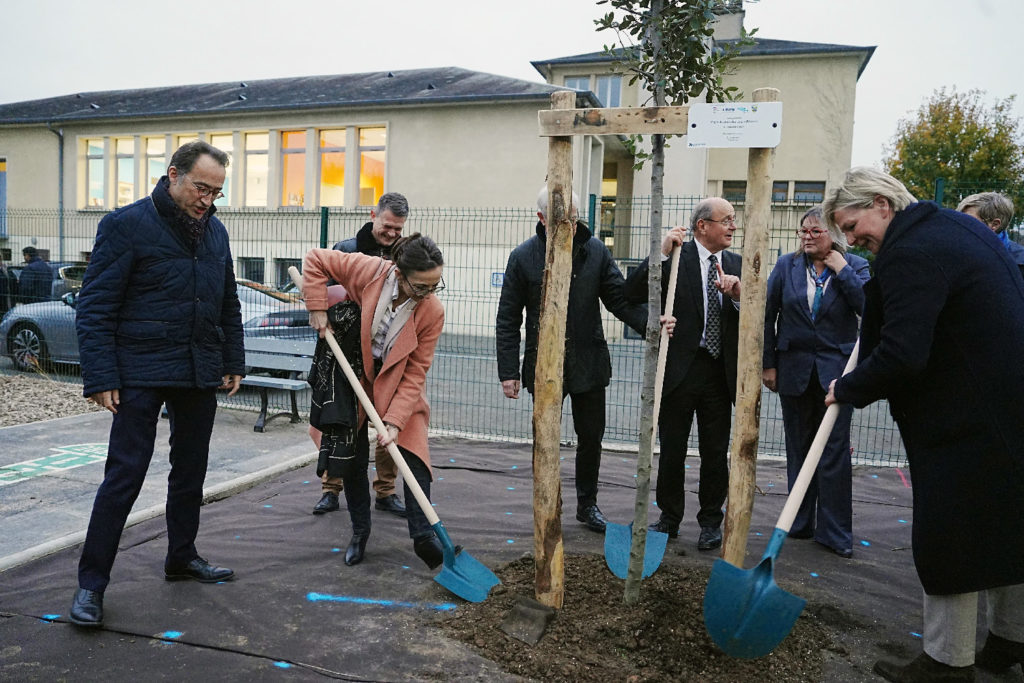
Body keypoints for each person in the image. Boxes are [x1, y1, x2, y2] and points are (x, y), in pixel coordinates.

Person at [822, 167, 1024, 681]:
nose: (852, 239)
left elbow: (905, 354)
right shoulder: (954, 228)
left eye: (852, 224)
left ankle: (946, 663)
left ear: (882, 204)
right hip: (1004, 407)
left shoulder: (912, 252)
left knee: (949, 538)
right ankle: (1009, 642)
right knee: (1007, 526)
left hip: (963, 418)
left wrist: (848, 387)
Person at [69, 141, 244, 628]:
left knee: (191, 471)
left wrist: (232, 360)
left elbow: (227, 301)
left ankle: (181, 558)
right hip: (138, 372)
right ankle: (91, 585)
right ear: (173, 175)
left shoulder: (216, 234)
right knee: (124, 475)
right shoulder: (126, 225)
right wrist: (100, 375)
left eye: (216, 192)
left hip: (197, 370)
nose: (207, 199)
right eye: (200, 187)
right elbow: (96, 306)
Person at [495, 186, 647, 533]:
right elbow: (508, 318)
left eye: (575, 219)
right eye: (562, 220)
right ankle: (546, 501)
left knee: (591, 437)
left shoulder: (595, 252)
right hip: (543, 363)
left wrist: (651, 325)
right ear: (541, 219)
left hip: (589, 361)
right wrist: (508, 371)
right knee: (545, 437)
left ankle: (587, 505)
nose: (570, 226)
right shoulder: (523, 257)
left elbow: (619, 301)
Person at [301, 233, 447, 568]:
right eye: (422, 286)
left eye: (435, 285)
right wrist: (317, 308)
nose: (428, 294)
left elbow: (416, 372)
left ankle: (424, 538)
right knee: (352, 458)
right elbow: (315, 259)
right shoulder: (370, 271)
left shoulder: (431, 311)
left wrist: (395, 421)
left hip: (397, 384)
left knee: (414, 456)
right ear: (399, 273)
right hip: (356, 374)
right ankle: (360, 532)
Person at [625, 197, 742, 552]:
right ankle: (669, 517)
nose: (733, 226)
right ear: (702, 225)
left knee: (715, 451)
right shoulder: (677, 257)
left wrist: (736, 295)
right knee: (673, 450)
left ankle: (710, 522)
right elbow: (632, 294)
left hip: (719, 375)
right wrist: (660, 255)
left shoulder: (736, 264)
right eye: (726, 220)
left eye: (734, 220)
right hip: (679, 372)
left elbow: (758, 314)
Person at [761, 205, 869, 559]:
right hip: (793, 370)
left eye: (815, 232)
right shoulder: (785, 267)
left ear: (833, 235)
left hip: (836, 375)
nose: (806, 237)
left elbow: (870, 309)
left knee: (834, 453)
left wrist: (842, 272)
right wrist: (769, 364)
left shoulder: (854, 266)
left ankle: (835, 533)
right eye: (803, 231)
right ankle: (800, 521)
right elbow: (768, 316)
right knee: (799, 447)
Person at [309, 192, 410, 518]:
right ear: (373, 215)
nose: (392, 234)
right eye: (388, 226)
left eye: (398, 228)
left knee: (389, 423)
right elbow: (320, 288)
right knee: (340, 420)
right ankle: (331, 487)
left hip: (385, 354)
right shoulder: (347, 250)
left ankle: (386, 490)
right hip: (346, 348)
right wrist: (326, 307)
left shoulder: (406, 255)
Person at [956, 191, 1024, 278]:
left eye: (968, 221)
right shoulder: (952, 253)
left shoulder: (1020, 263)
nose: (960, 226)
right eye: (958, 219)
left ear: (995, 224)